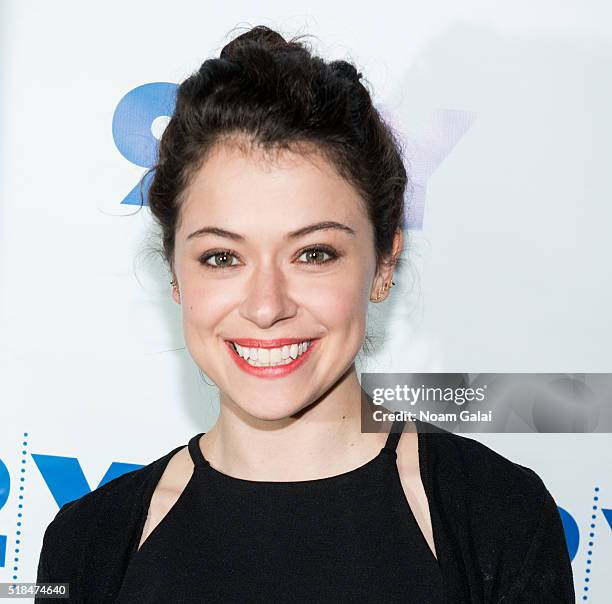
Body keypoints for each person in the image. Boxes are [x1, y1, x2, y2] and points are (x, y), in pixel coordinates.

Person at [35, 25, 575, 603]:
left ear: (384, 262)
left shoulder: (498, 519)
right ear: (174, 271)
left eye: (314, 254)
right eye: (222, 257)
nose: (267, 306)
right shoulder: (83, 542)